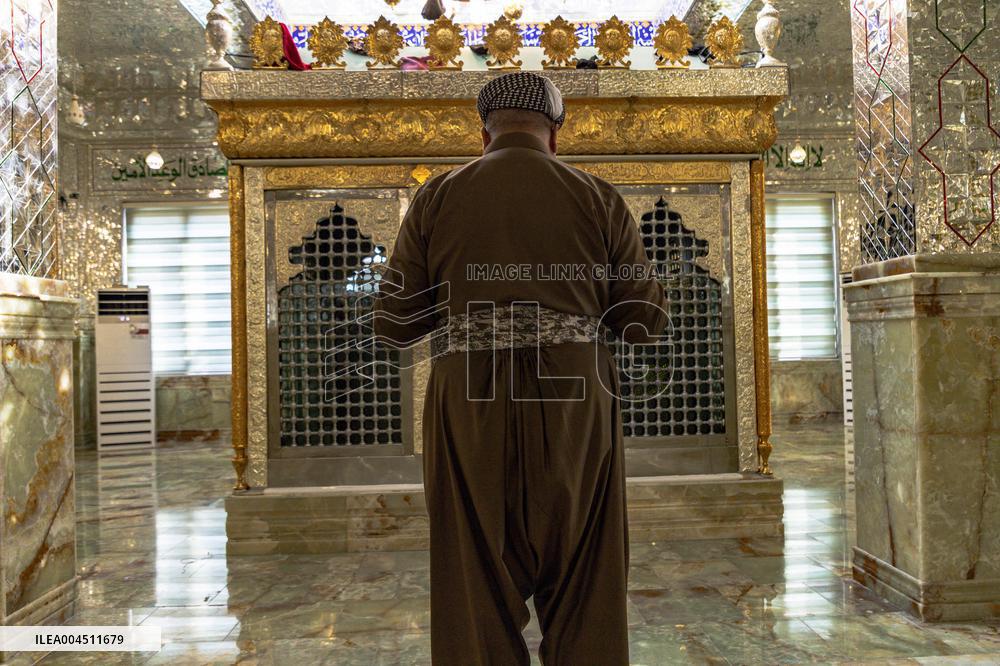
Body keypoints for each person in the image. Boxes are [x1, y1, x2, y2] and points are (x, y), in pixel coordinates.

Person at [373, 72, 668, 665]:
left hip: (469, 402)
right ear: (555, 133)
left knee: (473, 580)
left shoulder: (437, 197)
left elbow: (394, 322)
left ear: (482, 132)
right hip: (576, 400)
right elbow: (643, 322)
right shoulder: (598, 196)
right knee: (587, 576)